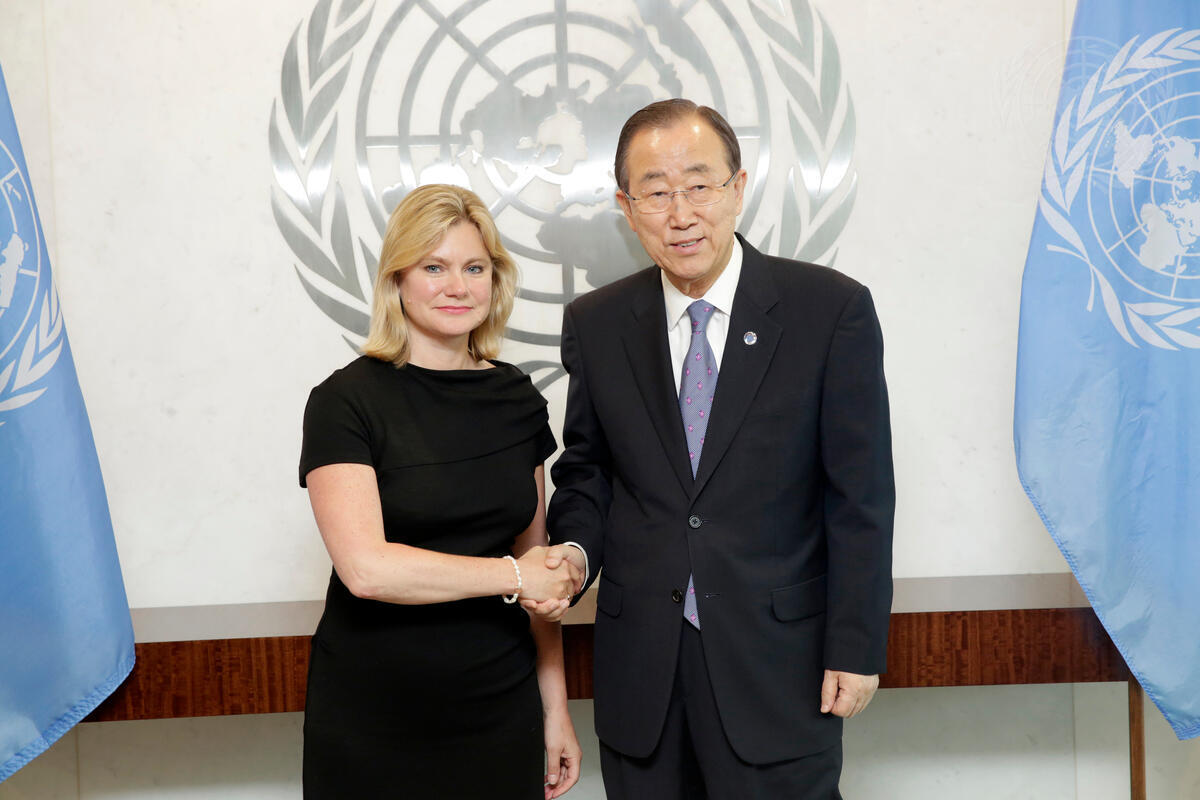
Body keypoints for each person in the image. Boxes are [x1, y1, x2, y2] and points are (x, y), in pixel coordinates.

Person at [537, 99, 894, 798]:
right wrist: (575, 552)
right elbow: (589, 473)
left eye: (699, 185)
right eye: (656, 192)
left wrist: (856, 647)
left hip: (779, 667)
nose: (681, 214)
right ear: (626, 207)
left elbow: (860, 497)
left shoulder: (829, 311)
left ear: (738, 188)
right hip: (643, 669)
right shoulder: (598, 324)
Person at [298, 184, 582, 799]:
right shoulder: (343, 402)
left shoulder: (517, 399)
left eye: (474, 268)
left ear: (494, 280)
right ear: (397, 278)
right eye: (434, 267)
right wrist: (514, 576)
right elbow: (366, 570)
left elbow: (538, 571)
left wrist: (556, 710)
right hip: (375, 714)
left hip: (500, 705)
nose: (458, 286)